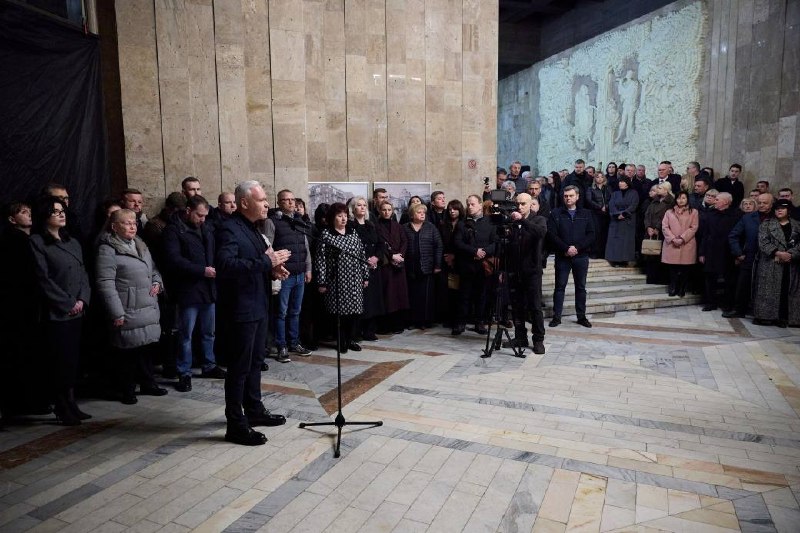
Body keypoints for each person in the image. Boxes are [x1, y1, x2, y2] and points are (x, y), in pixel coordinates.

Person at [215, 180, 290, 446]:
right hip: (241, 309)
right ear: (244, 203)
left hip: (258, 305)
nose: (266, 203)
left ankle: (254, 410)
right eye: (261, 200)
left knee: (256, 362)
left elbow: (256, 262)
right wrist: (266, 262)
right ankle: (235, 424)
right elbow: (225, 265)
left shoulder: (253, 229)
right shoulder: (229, 229)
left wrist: (273, 269)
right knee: (239, 368)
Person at [29, 197, 92, 425]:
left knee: (73, 360)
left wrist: (83, 299)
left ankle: (72, 402)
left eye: (62, 210)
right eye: (55, 211)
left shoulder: (72, 241)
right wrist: (67, 303)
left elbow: (84, 273)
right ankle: (61, 405)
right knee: (59, 361)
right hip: (57, 313)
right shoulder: (37, 242)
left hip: (78, 310)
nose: (61, 214)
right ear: (45, 216)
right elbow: (42, 279)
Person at [96, 209, 168, 405]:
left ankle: (148, 383)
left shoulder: (140, 244)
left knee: (146, 348)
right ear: (114, 227)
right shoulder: (107, 249)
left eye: (134, 223)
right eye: (126, 223)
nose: (132, 226)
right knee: (127, 352)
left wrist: (157, 283)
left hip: (146, 305)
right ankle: (127, 389)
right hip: (127, 308)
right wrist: (116, 312)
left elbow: (153, 270)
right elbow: (105, 283)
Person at [162, 195, 226, 393]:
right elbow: (173, 260)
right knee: (185, 335)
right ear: (188, 210)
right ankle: (184, 372)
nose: (202, 219)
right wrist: (201, 270)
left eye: (205, 216)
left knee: (209, 332)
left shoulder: (206, 228)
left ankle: (209, 364)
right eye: (199, 215)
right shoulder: (174, 230)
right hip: (188, 290)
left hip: (208, 289)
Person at [0, 202, 49, 421]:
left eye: (30, 211)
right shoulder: (13, 241)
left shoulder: (31, 239)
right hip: (20, 308)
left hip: (30, 306)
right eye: (22, 212)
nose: (28, 215)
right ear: (12, 219)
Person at [316, 203, 370, 352]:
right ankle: (341, 341)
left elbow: (361, 255)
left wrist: (365, 276)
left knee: (354, 312)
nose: (343, 219)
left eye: (345, 215)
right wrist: (322, 281)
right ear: (332, 218)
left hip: (354, 279)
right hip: (337, 280)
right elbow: (321, 260)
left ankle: (351, 339)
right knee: (339, 314)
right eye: (339, 216)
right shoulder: (326, 235)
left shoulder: (353, 233)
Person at [271, 189, 313, 362]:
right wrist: (276, 267)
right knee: (281, 312)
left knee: (295, 311)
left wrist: (308, 268)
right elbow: (268, 247)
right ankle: (281, 346)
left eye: (292, 199)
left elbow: (305, 247)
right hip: (284, 275)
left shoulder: (299, 222)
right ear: (279, 202)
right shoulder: (273, 222)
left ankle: (294, 342)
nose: (290, 203)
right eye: (286, 200)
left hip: (300, 273)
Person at [547, 185, 595, 328]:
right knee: (559, 287)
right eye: (566, 196)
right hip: (562, 256)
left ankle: (581, 317)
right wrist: (566, 248)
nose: (568, 198)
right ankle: (557, 317)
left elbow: (591, 234)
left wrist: (577, 248)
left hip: (581, 257)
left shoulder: (586, 213)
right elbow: (551, 235)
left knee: (581, 287)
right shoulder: (556, 213)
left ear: (577, 196)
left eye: (571, 195)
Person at [506, 193, 547, 353]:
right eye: (518, 204)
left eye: (523, 204)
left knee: (535, 307)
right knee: (517, 306)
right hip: (515, 271)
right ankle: (520, 336)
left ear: (531, 204)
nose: (520, 207)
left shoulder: (539, 219)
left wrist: (522, 220)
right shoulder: (512, 221)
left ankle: (538, 339)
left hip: (532, 272)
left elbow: (540, 233)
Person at [752, 199, 800, 327]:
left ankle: (785, 318)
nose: (779, 210)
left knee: (788, 290)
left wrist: (791, 254)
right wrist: (778, 253)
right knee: (768, 291)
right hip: (770, 264)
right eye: (777, 208)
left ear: (788, 210)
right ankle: (766, 317)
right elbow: (763, 242)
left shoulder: (797, 225)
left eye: (782, 208)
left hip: (790, 265)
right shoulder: (766, 224)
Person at [453, 195, 496, 335]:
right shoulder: (461, 223)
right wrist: (474, 251)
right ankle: (460, 323)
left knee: (482, 295)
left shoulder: (490, 222)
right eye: (468, 204)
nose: (469, 206)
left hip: (484, 266)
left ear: (480, 205)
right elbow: (458, 243)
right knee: (464, 295)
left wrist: (484, 252)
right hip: (467, 265)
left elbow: (495, 242)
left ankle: (480, 322)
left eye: (472, 204)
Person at [726, 193, 774, 318]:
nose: (762, 205)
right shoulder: (747, 218)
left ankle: (764, 313)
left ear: (772, 204)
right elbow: (733, 236)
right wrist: (739, 253)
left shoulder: (776, 218)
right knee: (743, 284)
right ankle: (739, 310)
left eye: (765, 203)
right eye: (760, 202)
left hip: (771, 259)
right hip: (749, 257)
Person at [349, 196, 384, 341]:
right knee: (359, 300)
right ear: (353, 208)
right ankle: (356, 332)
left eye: (364, 205)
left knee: (373, 300)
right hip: (358, 267)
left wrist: (376, 258)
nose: (362, 207)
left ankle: (370, 330)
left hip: (373, 267)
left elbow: (380, 244)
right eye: (359, 205)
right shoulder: (350, 226)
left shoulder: (371, 224)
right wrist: (365, 260)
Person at [403, 203, 443, 329]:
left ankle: (424, 321)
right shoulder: (405, 228)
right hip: (410, 267)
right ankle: (412, 321)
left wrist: (437, 264)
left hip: (427, 266)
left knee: (425, 296)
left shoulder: (431, 227)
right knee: (412, 295)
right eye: (419, 212)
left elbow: (439, 246)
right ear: (412, 215)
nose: (422, 214)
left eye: (423, 212)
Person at [698, 192, 738, 311]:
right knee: (710, 278)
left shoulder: (735, 215)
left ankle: (727, 304)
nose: (714, 201)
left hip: (727, 251)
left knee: (728, 279)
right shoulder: (710, 214)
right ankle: (711, 303)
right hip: (711, 250)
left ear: (726, 202)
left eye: (717, 199)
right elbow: (704, 234)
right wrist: (702, 252)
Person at [374, 201, 409, 334]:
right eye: (384, 210)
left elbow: (405, 241)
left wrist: (400, 255)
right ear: (379, 211)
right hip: (386, 265)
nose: (387, 212)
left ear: (392, 211)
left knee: (399, 295)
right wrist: (391, 256)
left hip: (399, 265)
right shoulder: (376, 226)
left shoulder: (397, 226)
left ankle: (398, 324)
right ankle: (385, 326)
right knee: (388, 296)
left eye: (389, 209)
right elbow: (380, 244)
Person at [661, 191, 698, 297]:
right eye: (678, 198)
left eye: (683, 198)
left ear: (687, 199)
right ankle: (673, 287)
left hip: (686, 243)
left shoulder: (694, 212)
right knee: (672, 268)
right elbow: (665, 227)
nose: (680, 200)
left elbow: (694, 227)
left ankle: (682, 288)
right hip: (672, 243)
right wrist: (672, 238)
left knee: (685, 268)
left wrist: (682, 238)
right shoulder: (669, 212)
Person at [643, 182, 675, 284]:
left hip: (662, 233)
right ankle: (651, 278)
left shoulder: (671, 202)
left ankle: (661, 279)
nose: (657, 190)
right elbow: (647, 214)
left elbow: (667, 217)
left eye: (660, 188)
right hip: (650, 232)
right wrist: (648, 226)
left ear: (666, 190)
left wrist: (657, 227)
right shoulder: (654, 201)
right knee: (651, 255)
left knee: (661, 256)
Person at [440, 199, 465, 328]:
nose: (452, 211)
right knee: (448, 291)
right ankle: (448, 318)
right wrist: (447, 257)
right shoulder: (444, 224)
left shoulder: (465, 223)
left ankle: (459, 319)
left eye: (454, 209)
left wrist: (454, 257)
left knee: (459, 291)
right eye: (449, 209)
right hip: (446, 261)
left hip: (460, 261)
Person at [605, 176, 639, 266]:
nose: (620, 183)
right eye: (619, 182)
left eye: (622, 181)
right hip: (616, 219)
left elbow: (634, 205)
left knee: (626, 241)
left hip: (628, 219)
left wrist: (624, 214)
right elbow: (611, 205)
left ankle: (625, 260)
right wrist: (617, 214)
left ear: (627, 183)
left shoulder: (634, 193)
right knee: (615, 240)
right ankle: (614, 260)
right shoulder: (615, 193)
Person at [585, 171, 610, 259]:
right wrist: (600, 207)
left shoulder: (607, 188)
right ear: (595, 178)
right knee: (596, 233)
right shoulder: (591, 189)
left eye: (601, 177)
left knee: (604, 233)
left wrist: (606, 206)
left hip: (606, 214)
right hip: (595, 213)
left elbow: (611, 199)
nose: (600, 178)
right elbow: (589, 200)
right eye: (597, 177)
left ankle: (603, 253)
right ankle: (594, 252)